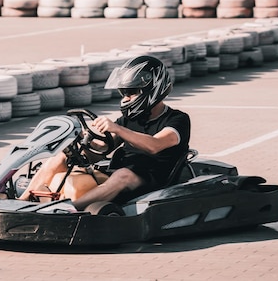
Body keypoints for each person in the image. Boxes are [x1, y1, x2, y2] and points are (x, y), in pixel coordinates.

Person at [18, 55, 191, 211]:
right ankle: (22, 202)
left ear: (152, 89)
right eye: (124, 93)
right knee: (60, 158)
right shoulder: (129, 120)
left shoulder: (177, 120)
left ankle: (67, 209)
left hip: (151, 179)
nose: (125, 99)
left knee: (123, 175)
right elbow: (100, 150)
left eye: (131, 93)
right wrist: (79, 146)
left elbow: (155, 145)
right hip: (116, 174)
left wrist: (117, 128)